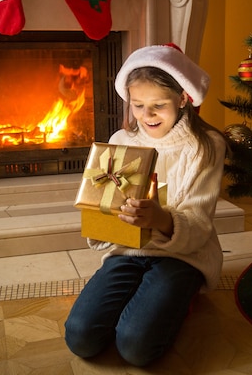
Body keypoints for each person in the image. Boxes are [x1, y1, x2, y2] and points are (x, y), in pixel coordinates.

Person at [64, 43, 227, 367]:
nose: (147, 115)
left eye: (158, 105)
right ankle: (147, 301)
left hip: (182, 256)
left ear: (182, 98)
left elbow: (198, 221)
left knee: (136, 348)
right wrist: (98, 212)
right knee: (81, 337)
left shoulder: (206, 147)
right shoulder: (120, 142)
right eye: (138, 105)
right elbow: (103, 213)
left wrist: (161, 219)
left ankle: (178, 297)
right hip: (127, 252)